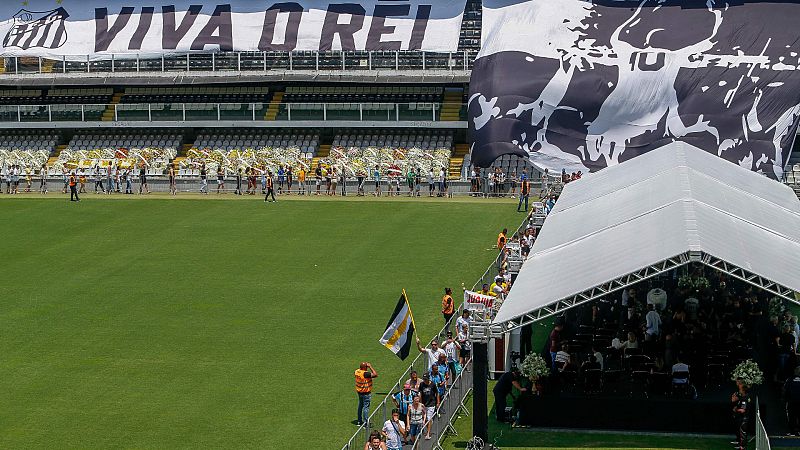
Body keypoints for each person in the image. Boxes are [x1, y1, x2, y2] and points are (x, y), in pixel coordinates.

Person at [355, 362, 378, 426]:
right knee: (366, 407)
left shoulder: (356, 371)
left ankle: (359, 421)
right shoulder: (365, 374)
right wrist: (370, 366)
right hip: (366, 393)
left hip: (359, 392)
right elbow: (375, 374)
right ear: (365, 367)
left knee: (360, 406)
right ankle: (365, 423)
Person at [731, 379, 751, 450]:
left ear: (743, 390)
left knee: (743, 434)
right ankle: (741, 446)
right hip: (742, 418)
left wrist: (736, 409)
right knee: (741, 433)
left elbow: (743, 410)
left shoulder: (745, 398)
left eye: (740, 389)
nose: (739, 390)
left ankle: (742, 447)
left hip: (744, 418)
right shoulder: (743, 397)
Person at [418, 373, 438, 440]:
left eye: (425, 379)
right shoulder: (421, 384)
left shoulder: (433, 384)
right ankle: (428, 429)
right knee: (425, 419)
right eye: (424, 379)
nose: (424, 380)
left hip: (431, 404)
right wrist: (420, 403)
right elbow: (420, 393)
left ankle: (428, 433)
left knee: (428, 418)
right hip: (424, 404)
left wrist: (438, 402)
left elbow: (437, 393)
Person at [784, 367, 800, 435]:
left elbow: (785, 389)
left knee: (791, 417)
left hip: (791, 402)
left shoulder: (789, 379)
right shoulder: (789, 379)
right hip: (794, 402)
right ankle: (796, 431)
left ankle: (793, 431)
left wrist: (784, 398)